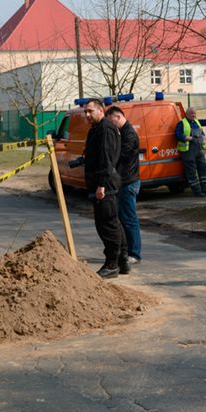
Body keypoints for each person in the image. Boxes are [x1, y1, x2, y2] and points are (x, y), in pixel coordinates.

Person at [79, 99, 130, 278]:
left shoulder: (106, 129)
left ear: (101, 111)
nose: (87, 115)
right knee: (113, 222)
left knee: (107, 225)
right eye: (85, 112)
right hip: (101, 182)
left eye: (90, 111)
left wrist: (101, 184)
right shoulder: (97, 129)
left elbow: (107, 159)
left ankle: (112, 264)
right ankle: (123, 261)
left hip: (105, 184)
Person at [106, 105, 142, 265]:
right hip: (125, 181)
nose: (111, 125)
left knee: (129, 219)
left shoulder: (129, 135)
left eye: (111, 121)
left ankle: (135, 253)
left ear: (118, 117)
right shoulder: (123, 132)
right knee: (124, 218)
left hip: (129, 182)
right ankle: (126, 251)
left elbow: (121, 156)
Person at [175, 107, 206, 197]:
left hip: (198, 149)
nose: (194, 115)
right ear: (187, 114)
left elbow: (201, 132)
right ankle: (197, 191)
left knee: (204, 168)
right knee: (191, 172)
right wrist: (185, 137)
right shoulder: (182, 123)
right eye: (192, 113)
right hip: (188, 151)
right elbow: (177, 134)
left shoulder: (196, 122)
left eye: (195, 113)